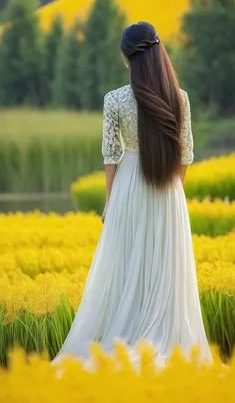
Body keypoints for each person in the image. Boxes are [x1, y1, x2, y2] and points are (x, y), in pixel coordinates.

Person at [50, 21, 213, 372]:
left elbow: (111, 155)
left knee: (126, 267)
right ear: (158, 53)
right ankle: (166, 338)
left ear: (127, 58)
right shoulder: (179, 97)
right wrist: (173, 194)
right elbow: (185, 156)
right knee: (163, 268)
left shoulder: (115, 100)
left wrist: (110, 202)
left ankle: (125, 338)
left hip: (128, 188)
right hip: (168, 191)